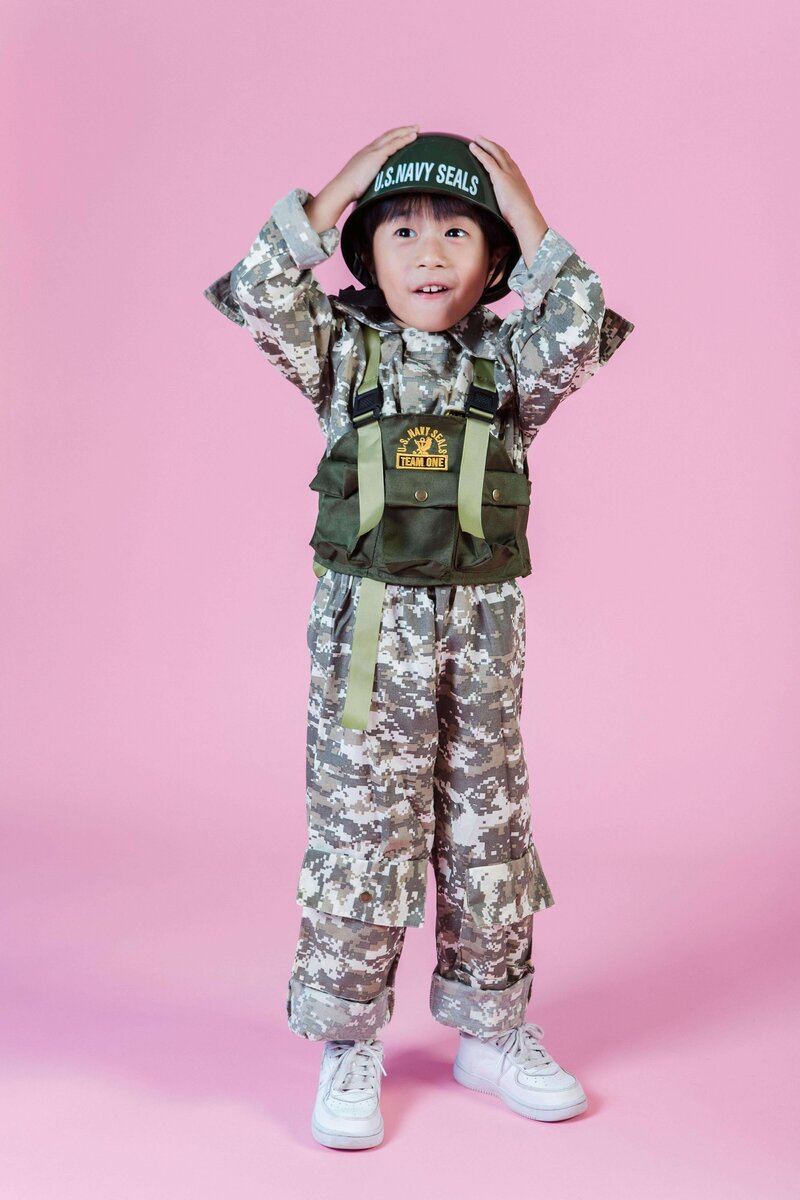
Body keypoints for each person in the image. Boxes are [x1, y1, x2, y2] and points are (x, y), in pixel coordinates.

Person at [204, 126, 635, 1150]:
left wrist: (521, 200)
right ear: (364, 255)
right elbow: (261, 287)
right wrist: (342, 183)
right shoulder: (341, 352)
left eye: (455, 231)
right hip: (364, 649)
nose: (429, 252)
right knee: (363, 833)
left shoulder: (507, 365)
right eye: (398, 231)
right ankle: (348, 1040)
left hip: (479, 646)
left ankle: (490, 1027)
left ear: (491, 262)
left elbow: (573, 319)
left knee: (487, 831)